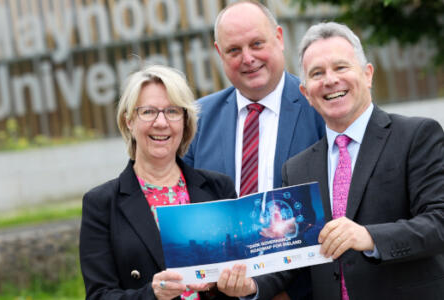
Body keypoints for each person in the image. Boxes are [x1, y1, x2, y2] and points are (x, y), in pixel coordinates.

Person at [216, 22, 444, 300]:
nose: (330, 80)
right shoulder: (297, 168)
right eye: (317, 73)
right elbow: (293, 253)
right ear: (306, 93)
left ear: (367, 74)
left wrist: (370, 237)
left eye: (341, 67)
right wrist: (252, 286)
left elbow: (438, 222)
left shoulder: (417, 136)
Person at [79, 65, 237, 300]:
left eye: (172, 111)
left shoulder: (219, 188)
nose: (161, 122)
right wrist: (152, 294)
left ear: (185, 122)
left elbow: (239, 272)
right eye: (148, 112)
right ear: (129, 121)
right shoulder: (101, 203)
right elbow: (99, 296)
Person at [183, 0, 324, 195]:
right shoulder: (197, 119)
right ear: (219, 53)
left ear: (279, 38)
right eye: (234, 50)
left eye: (256, 44)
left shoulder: (319, 105)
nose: (248, 58)